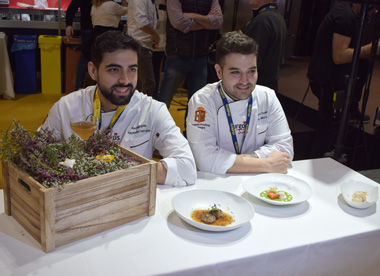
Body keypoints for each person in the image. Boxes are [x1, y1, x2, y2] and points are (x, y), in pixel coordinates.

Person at [41, 30, 197, 187]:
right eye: (114, 70)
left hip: (128, 199)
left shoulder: (152, 110)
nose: (125, 80)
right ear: (93, 71)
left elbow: (187, 168)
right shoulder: (65, 108)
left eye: (132, 69)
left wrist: (123, 169)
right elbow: (37, 157)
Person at [186, 31, 293, 174]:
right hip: (218, 183)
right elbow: (204, 160)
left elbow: (285, 148)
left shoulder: (267, 97)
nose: (244, 81)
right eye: (235, 72)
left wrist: (232, 161)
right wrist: (265, 164)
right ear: (219, 72)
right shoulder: (203, 101)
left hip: (260, 180)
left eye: (251, 71)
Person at [307, 1, 380, 157]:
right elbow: (339, 56)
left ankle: (323, 159)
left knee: (335, 125)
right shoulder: (345, 17)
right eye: (373, 8)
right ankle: (319, 162)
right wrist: (371, 49)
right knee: (330, 128)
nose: (373, 13)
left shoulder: (348, 13)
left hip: (330, 79)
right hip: (328, 81)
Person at [156, 0, 223, 110]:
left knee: (197, 103)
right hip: (177, 55)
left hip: (200, 55)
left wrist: (192, 16)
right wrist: (206, 22)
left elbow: (218, 21)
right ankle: (156, 127)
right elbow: (178, 22)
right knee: (164, 99)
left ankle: (190, 127)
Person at [241, 0, 286, 92]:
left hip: (256, 86)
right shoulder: (276, 17)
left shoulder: (262, 20)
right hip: (269, 84)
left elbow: (252, 59)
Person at [127, 0, 160, 98]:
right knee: (149, 84)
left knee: (139, 84)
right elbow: (142, 22)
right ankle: (141, 112)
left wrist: (152, 39)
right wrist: (156, 36)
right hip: (138, 45)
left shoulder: (150, 2)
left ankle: (134, 111)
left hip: (141, 45)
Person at [65, 0, 93, 90]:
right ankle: (99, 88)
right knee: (100, 59)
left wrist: (69, 24)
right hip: (100, 29)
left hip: (86, 28)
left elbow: (71, 8)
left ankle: (79, 87)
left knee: (84, 58)